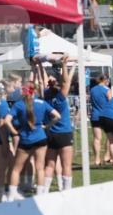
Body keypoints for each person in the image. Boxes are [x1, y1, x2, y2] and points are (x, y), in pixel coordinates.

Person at [4, 81, 61, 201]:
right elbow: (57, 116)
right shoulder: (42, 103)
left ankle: (11, 195)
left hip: (25, 139)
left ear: (24, 91)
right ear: (34, 90)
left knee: (16, 168)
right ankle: (40, 194)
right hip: (41, 138)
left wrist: (14, 132)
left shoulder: (18, 104)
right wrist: (48, 126)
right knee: (40, 167)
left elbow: (7, 120)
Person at [43, 56, 75, 191]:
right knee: (66, 165)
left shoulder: (45, 97)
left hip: (50, 133)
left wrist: (39, 67)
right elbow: (66, 82)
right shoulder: (60, 99)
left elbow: (43, 82)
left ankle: (44, 190)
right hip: (64, 133)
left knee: (50, 165)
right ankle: (67, 190)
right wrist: (64, 65)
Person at [89, 74, 113, 167]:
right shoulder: (107, 90)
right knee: (109, 136)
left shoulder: (92, 90)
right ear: (105, 80)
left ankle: (97, 159)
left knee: (97, 138)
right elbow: (111, 102)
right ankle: (107, 156)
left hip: (95, 115)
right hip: (106, 115)